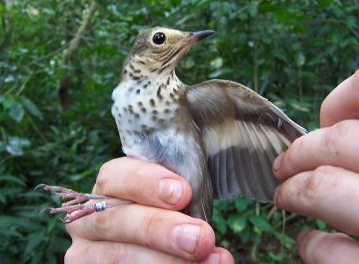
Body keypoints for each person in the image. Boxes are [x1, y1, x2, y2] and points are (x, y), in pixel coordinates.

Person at [64, 71, 359, 264]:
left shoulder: (198, 102)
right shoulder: (134, 103)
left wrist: (321, 167)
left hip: (195, 217)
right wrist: (104, 209)